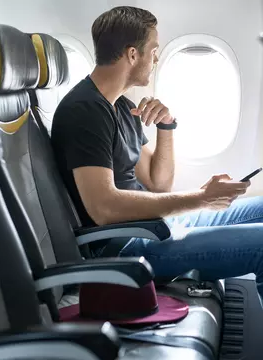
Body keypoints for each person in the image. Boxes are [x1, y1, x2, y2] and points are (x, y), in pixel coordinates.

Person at [51, 6, 263, 303]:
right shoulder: (85, 111)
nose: (156, 59)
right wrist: (202, 198)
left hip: (153, 227)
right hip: (126, 245)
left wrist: (166, 125)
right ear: (132, 54)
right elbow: (103, 207)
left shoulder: (121, 107)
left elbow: (158, 181)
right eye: (154, 50)